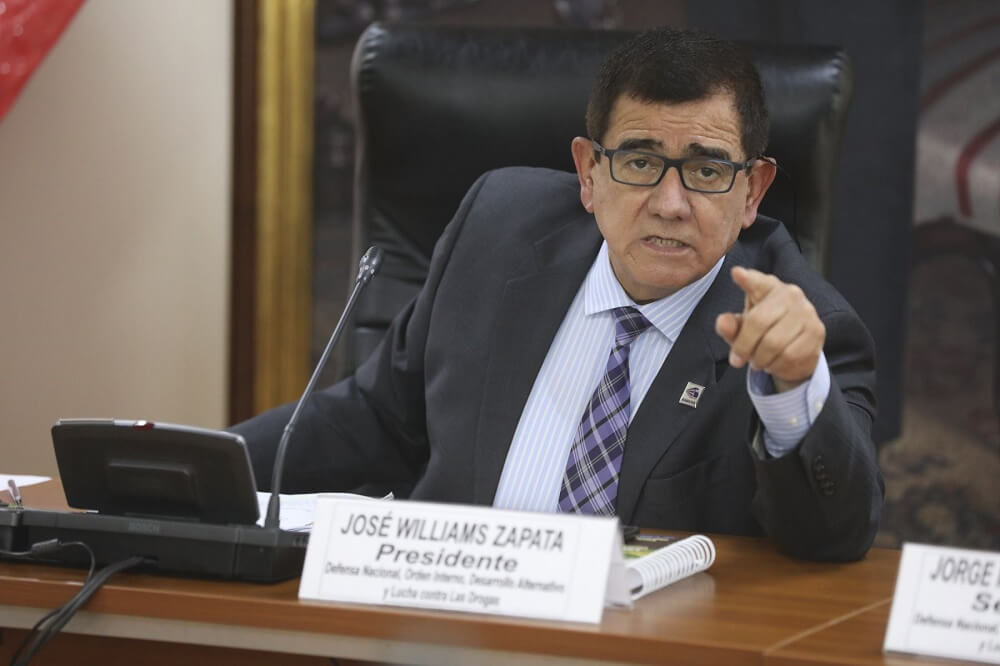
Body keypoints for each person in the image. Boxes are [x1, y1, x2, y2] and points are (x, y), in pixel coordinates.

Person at [234, 27, 883, 561]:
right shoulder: (497, 231)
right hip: (444, 626)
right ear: (589, 173)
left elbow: (838, 537)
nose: (670, 203)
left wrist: (793, 390)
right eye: (639, 162)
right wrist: (208, 470)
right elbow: (377, 419)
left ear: (753, 191)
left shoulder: (796, 332)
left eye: (707, 170)